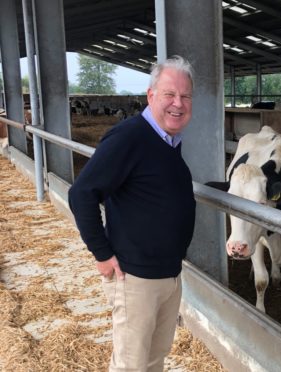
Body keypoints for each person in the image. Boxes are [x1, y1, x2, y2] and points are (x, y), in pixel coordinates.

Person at [68, 55, 196, 372]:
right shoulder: (130, 136)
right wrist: (101, 252)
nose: (177, 103)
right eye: (169, 94)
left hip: (167, 275)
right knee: (131, 365)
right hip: (136, 277)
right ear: (151, 95)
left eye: (185, 96)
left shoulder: (168, 142)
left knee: (153, 359)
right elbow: (82, 193)